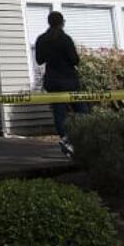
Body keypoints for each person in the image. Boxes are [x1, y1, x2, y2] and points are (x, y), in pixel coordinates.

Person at [34, 10, 88, 157]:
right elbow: (75, 60)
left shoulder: (42, 39)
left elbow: (39, 60)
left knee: (59, 112)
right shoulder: (65, 39)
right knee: (82, 110)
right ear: (62, 22)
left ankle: (65, 139)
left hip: (53, 80)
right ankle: (81, 138)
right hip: (69, 80)